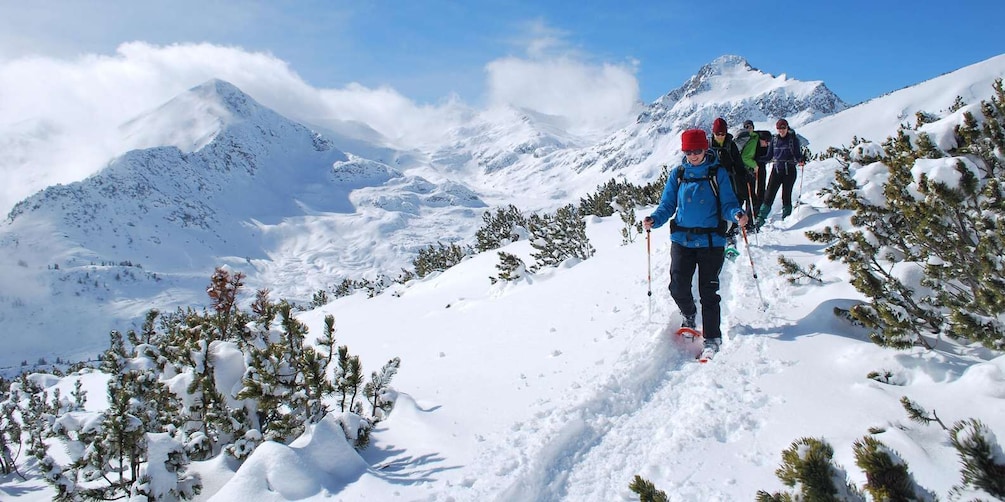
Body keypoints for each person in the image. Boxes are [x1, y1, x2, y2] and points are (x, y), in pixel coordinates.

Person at [643, 128, 748, 359]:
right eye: (688, 151)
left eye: (697, 150)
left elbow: (728, 204)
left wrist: (737, 214)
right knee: (678, 287)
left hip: (712, 241)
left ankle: (712, 338)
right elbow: (667, 205)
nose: (693, 155)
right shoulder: (678, 174)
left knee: (708, 291)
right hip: (682, 240)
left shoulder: (717, 173)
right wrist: (654, 219)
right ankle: (689, 314)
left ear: (705, 148)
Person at [756, 118, 805, 227]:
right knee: (769, 195)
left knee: (786, 195)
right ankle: (760, 219)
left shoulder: (793, 140)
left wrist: (801, 159)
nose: (781, 130)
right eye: (779, 128)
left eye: (783, 128)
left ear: (787, 128)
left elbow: (797, 154)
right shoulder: (774, 140)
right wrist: (757, 159)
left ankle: (786, 219)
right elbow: (769, 156)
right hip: (777, 170)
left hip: (789, 171)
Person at [708, 117, 748, 246]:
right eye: (717, 134)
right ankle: (716, 232)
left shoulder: (731, 144)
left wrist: (744, 175)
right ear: (713, 133)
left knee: (729, 205)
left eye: (723, 134)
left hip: (729, 181)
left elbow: (738, 163)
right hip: (712, 182)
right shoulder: (708, 145)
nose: (720, 136)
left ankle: (730, 234)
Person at [732, 120, 763, 223]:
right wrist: (755, 165)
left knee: (740, 197)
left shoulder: (743, 137)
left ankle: (735, 222)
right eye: (746, 126)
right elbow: (745, 157)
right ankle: (748, 223)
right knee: (751, 198)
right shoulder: (752, 140)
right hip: (747, 171)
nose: (748, 128)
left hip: (737, 171)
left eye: (749, 126)